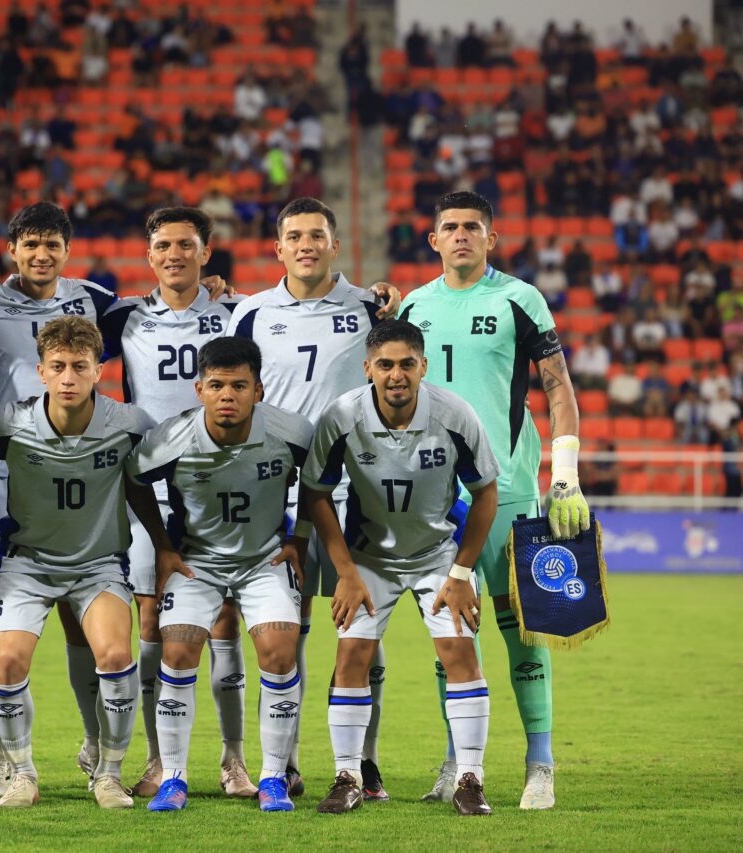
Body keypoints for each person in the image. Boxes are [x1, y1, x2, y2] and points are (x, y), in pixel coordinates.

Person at [400, 190, 590, 810]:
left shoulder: (519, 298)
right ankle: (458, 764)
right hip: (434, 497)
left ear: (491, 238)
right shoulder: (414, 304)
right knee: (449, 633)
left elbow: (558, 387)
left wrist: (565, 472)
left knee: (522, 630)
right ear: (433, 240)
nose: (460, 236)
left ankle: (541, 764)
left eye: (472, 227)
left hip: (506, 490)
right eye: (449, 227)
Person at [227, 197, 401, 799]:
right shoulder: (249, 313)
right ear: (278, 248)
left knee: (365, 632)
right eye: (294, 236)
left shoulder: (368, 307)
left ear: (334, 245)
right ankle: (289, 760)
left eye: (317, 235)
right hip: (275, 495)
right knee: (287, 631)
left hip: (358, 490)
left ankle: (365, 761)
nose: (306, 244)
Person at [300, 319, 499, 817]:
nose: (396, 375)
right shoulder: (341, 417)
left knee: (460, 655)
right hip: (369, 558)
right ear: (368, 368)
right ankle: (348, 776)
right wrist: (345, 570)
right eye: (385, 364)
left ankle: (470, 779)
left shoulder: (455, 415)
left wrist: (461, 573)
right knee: (351, 659)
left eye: (406, 364)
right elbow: (316, 495)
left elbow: (486, 494)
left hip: (438, 557)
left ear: (423, 366)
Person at [0, 202, 121, 794]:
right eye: (30, 245)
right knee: (2, 617)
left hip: (81, 470)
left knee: (84, 620)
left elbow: (165, 315)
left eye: (51, 244)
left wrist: (212, 289)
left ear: (67, 249)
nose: (41, 255)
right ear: (13, 251)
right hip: (8, 474)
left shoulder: (100, 302)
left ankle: (95, 741)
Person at [98, 208, 251, 798]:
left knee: (224, 620)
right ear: (149, 254)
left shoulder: (237, 314)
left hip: (222, 488)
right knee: (151, 622)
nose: (174, 255)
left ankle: (233, 759)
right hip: (150, 491)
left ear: (206, 252)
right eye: (163, 245)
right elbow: (65, 331)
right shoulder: (125, 316)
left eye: (186, 245)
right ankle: (160, 760)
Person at [128, 337, 310, 813]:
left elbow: (318, 482)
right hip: (197, 562)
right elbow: (133, 480)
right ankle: (174, 777)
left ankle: (272, 777)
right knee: (179, 648)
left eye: (238, 385)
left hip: (263, 561)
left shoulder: (293, 434)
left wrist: (300, 541)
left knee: (278, 651)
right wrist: (163, 546)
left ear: (259, 390)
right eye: (216, 385)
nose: (227, 395)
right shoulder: (170, 439)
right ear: (199, 389)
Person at [0, 316, 155, 809]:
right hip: (28, 565)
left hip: (98, 565)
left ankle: (108, 774)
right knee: (6, 662)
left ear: (99, 370)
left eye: (80, 366)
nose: (68, 378)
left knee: (118, 658)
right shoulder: (6, 424)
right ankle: (23, 773)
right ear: (40, 371)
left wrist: (164, 546)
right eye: (57, 366)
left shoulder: (129, 424)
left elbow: (144, 488)